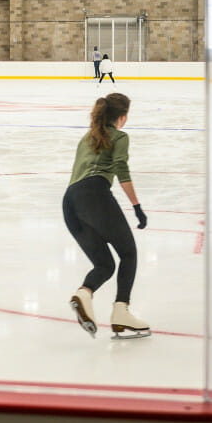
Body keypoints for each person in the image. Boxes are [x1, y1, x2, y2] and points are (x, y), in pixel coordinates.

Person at [64, 93, 150, 340]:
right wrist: (136, 206)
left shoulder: (86, 138)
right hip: (94, 195)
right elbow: (121, 168)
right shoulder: (120, 136)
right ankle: (121, 312)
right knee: (128, 254)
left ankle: (83, 294)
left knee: (104, 265)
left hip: (70, 202)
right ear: (122, 117)